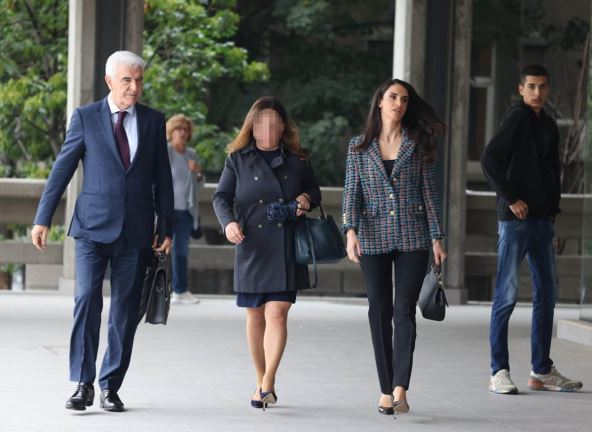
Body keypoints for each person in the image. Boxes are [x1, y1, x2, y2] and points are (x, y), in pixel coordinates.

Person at [31, 51, 173, 412]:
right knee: (86, 301)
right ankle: (83, 383)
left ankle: (111, 385)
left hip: (136, 231)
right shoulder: (86, 117)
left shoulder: (153, 121)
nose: (134, 87)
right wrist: (42, 218)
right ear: (109, 81)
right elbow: (62, 170)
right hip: (91, 229)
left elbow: (163, 178)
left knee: (125, 309)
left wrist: (166, 226)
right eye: (127, 80)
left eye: (139, 80)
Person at [342, 79, 447, 415]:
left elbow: (429, 194)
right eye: (392, 97)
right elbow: (351, 194)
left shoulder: (417, 144)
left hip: (413, 237)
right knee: (379, 311)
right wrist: (350, 231)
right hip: (373, 237)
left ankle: (400, 387)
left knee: (404, 311)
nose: (398, 104)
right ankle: (385, 389)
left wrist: (437, 237)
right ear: (380, 102)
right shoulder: (359, 147)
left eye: (404, 99)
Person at [212, 96, 321, 409]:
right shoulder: (237, 159)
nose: (269, 129)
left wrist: (304, 199)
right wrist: (228, 223)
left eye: (275, 123)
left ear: (284, 126)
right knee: (255, 314)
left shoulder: (298, 160)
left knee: (277, 313)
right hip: (251, 244)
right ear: (252, 126)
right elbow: (221, 197)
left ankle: (268, 381)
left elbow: (314, 191)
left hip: (285, 242)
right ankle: (260, 380)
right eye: (262, 123)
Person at [481, 64, 583, 394]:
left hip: (542, 221)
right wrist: (511, 199)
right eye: (531, 87)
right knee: (507, 294)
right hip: (516, 222)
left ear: (548, 89)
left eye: (542, 87)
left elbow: (552, 171)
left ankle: (541, 370)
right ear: (521, 90)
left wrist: (551, 212)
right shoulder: (516, 118)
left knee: (547, 295)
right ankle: (498, 371)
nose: (537, 93)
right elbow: (489, 160)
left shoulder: (548, 124)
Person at [166, 114, 204, 305]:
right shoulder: (165, 152)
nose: (182, 133)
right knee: (160, 250)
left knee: (181, 251)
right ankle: (156, 290)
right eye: (178, 129)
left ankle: (180, 290)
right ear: (171, 132)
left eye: (185, 130)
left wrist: (198, 172)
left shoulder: (191, 154)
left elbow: (200, 184)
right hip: (166, 211)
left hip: (186, 211)